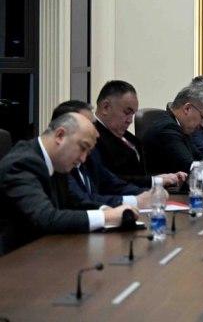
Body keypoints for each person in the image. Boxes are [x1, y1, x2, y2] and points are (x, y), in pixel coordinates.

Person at [0, 112, 137, 255]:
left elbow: (74, 202)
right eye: (83, 148)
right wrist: (107, 217)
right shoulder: (21, 164)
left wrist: (105, 209)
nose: (83, 159)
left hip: (46, 251)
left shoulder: (56, 162)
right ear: (60, 136)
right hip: (15, 259)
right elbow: (46, 218)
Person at [53, 100, 151, 209]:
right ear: (61, 135)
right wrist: (135, 201)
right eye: (88, 126)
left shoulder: (91, 154)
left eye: (94, 126)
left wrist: (151, 194)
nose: (96, 133)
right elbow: (81, 200)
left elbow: (114, 184)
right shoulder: (58, 163)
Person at [92, 80, 185, 188]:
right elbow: (108, 180)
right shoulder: (91, 138)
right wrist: (154, 181)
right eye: (127, 112)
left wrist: (164, 178)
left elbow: (139, 176)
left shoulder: (131, 139)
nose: (130, 120)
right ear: (106, 107)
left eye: (133, 114)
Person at [143, 85, 203, 174]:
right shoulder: (168, 128)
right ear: (187, 108)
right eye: (202, 117)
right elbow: (189, 165)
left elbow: (198, 156)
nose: (202, 124)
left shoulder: (180, 126)